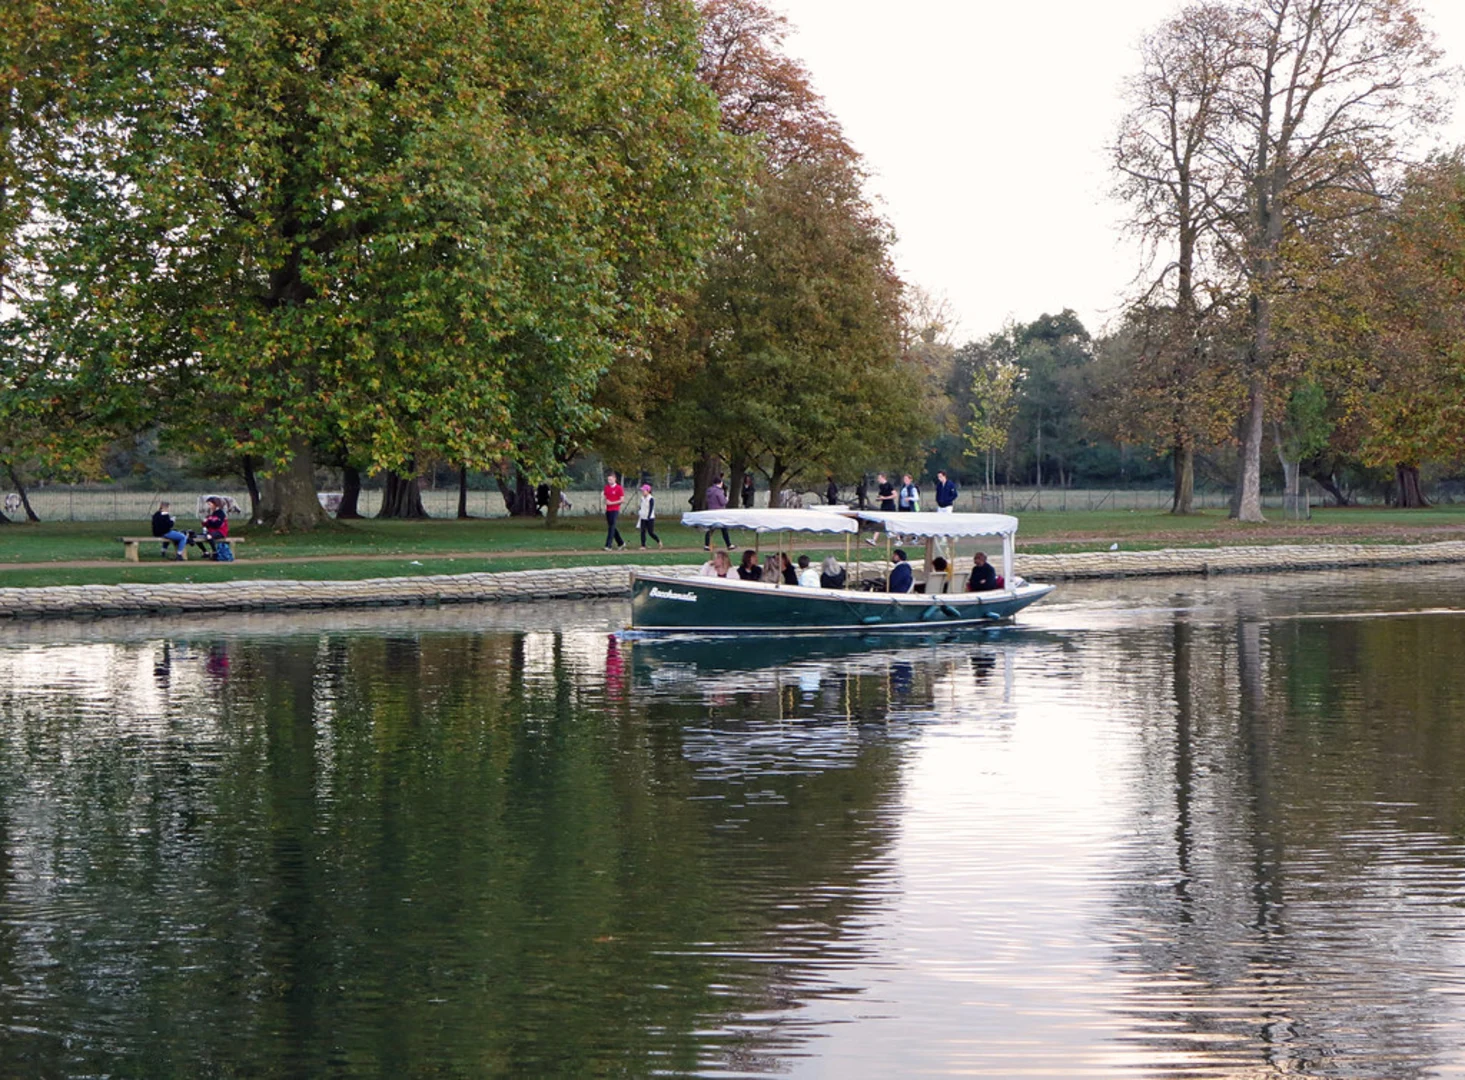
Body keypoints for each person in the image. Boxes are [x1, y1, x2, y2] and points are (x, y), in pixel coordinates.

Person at [703, 475, 732, 550]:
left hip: (711, 511)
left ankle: (706, 545)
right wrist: (726, 499)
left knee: (711, 529)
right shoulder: (719, 491)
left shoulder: (709, 490)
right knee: (724, 528)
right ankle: (728, 544)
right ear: (720, 482)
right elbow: (722, 502)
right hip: (719, 512)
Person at [602, 472, 626, 550]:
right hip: (608, 509)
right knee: (612, 527)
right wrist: (605, 501)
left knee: (611, 527)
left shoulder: (619, 488)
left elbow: (622, 500)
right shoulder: (606, 487)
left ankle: (608, 545)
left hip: (615, 509)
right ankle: (621, 542)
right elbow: (605, 497)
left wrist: (612, 503)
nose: (609, 481)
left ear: (614, 479)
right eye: (608, 479)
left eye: (611, 479)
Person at [637, 483, 661, 548]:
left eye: (644, 490)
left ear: (648, 491)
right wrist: (640, 510)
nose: (642, 492)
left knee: (650, 532)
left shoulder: (651, 498)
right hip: (643, 517)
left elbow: (651, 508)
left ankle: (658, 541)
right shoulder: (642, 498)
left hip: (650, 518)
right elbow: (642, 506)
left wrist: (648, 516)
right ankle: (643, 545)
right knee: (642, 531)